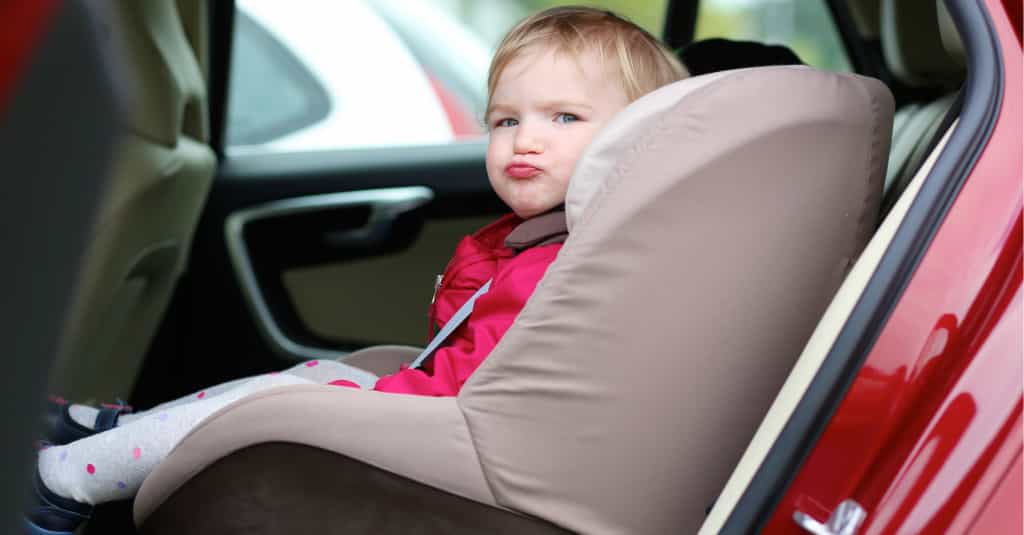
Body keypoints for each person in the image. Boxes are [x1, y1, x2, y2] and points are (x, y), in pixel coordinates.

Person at [26, 6, 687, 533]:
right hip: (443, 412)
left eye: (564, 118)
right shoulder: (528, 244)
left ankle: (62, 481)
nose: (525, 138)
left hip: (452, 432)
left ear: (630, 144)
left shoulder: (555, 269)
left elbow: (482, 393)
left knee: (276, 399)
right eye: (506, 119)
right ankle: (106, 434)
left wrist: (374, 402)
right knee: (301, 377)